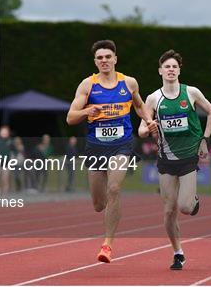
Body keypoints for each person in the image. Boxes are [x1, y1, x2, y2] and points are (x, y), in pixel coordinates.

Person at [66, 40, 157, 263]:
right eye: (100, 58)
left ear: (115, 58)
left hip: (122, 144)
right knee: (99, 204)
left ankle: (107, 245)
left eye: (108, 57)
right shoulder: (87, 85)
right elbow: (70, 117)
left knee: (115, 188)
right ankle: (109, 210)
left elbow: (138, 104)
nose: (104, 61)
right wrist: (88, 110)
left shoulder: (129, 83)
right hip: (96, 146)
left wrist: (148, 120)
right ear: (95, 62)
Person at [139, 49, 211, 270]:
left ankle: (193, 202)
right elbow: (142, 129)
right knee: (168, 210)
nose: (171, 70)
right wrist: (149, 126)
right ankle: (178, 252)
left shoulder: (191, 92)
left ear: (179, 70)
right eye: (167, 66)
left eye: (174, 66)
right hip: (165, 158)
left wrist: (205, 140)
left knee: (184, 206)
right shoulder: (154, 98)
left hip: (188, 156)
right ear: (160, 71)